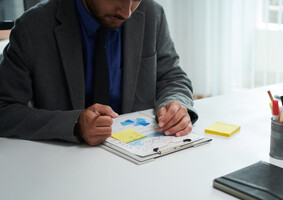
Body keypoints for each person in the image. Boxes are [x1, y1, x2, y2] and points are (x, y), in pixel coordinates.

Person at [0, 0, 198, 146]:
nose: (127, 12)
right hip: (62, 167)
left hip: (138, 160)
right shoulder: (32, 27)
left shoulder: (152, 14)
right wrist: (74, 124)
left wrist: (176, 105)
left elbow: (173, 77)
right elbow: (4, 109)